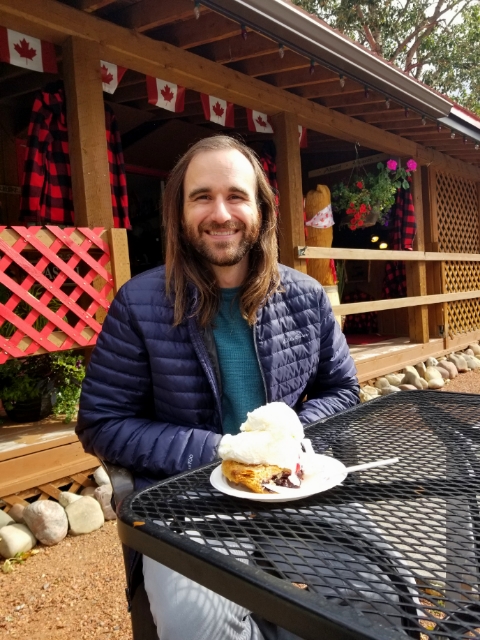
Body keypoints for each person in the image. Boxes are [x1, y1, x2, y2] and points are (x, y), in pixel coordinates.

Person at [76, 135, 359, 640]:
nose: (220, 212)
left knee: (369, 597)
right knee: (195, 629)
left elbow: (342, 391)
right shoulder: (139, 303)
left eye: (236, 195)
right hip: (187, 504)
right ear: (179, 212)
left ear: (261, 209)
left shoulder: (306, 297)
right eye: (201, 196)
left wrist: (283, 442)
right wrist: (222, 449)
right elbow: (102, 422)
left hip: (293, 489)